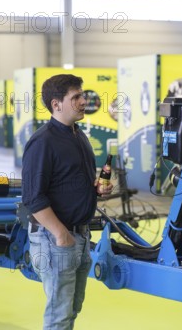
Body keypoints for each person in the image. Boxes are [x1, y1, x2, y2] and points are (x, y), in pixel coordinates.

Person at [22, 74, 113, 330]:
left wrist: (96, 189)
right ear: (56, 104)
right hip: (56, 241)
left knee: (72, 309)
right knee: (59, 315)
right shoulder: (43, 142)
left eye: (82, 95)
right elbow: (33, 197)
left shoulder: (78, 135)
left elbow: (68, 181)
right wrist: (61, 235)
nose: (84, 101)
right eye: (76, 97)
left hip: (79, 237)